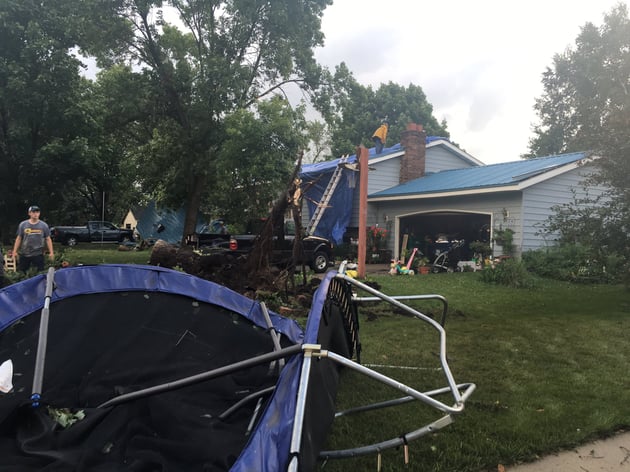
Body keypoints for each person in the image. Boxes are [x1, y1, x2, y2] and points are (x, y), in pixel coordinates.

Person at [12, 205, 54, 273]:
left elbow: (48, 239)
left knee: (40, 273)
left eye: (37, 212)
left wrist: (51, 252)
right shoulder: (23, 224)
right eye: (33, 212)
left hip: (38, 254)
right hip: (25, 253)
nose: (35, 214)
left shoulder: (44, 225)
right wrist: (14, 251)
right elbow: (19, 238)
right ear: (29, 213)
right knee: (22, 273)